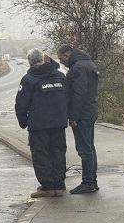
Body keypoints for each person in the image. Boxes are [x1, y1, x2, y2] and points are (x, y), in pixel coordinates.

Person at [15, 48, 69, 198]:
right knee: (58, 153)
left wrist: (23, 122)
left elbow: (21, 104)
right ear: (43, 59)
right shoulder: (59, 76)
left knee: (41, 154)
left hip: (38, 125)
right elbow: (68, 97)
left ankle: (47, 186)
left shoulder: (28, 80)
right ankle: (59, 185)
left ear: (30, 62)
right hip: (59, 123)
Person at [57, 44, 100, 194]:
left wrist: (73, 116)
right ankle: (92, 181)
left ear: (67, 55)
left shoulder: (77, 68)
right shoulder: (88, 63)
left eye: (61, 58)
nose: (61, 62)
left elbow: (78, 93)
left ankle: (88, 182)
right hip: (90, 110)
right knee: (90, 147)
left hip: (82, 114)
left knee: (84, 149)